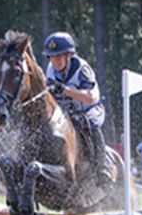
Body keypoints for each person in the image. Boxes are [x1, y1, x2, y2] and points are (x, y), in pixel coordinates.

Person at [43, 31, 112, 186]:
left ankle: (102, 168)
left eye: (60, 56)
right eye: (53, 57)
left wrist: (64, 90)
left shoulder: (82, 68)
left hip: (90, 108)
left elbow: (90, 97)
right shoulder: (50, 70)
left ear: (69, 55)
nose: (56, 61)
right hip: (68, 111)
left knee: (89, 124)